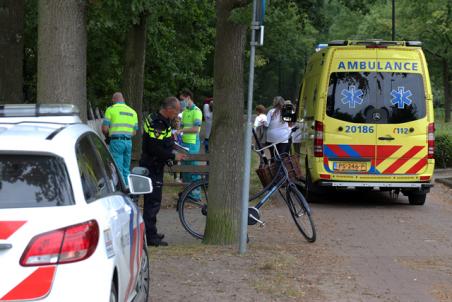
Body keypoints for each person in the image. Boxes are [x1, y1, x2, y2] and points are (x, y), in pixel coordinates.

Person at [140, 96, 187, 246]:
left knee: (152, 200)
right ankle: (150, 236)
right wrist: (173, 155)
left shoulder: (156, 119)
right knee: (153, 201)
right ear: (169, 109)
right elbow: (155, 148)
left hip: (153, 165)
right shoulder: (158, 123)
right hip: (152, 166)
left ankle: (151, 231)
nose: (177, 115)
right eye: (176, 111)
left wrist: (173, 146)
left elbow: (163, 142)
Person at [102, 92, 138, 185]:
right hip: (128, 142)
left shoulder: (110, 109)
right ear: (123, 100)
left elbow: (104, 129)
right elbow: (134, 132)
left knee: (118, 169)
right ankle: (128, 190)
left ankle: (122, 192)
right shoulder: (133, 112)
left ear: (113, 100)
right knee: (126, 169)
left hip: (116, 142)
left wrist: (107, 137)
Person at [177, 89, 203, 196]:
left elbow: (196, 129)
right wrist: (178, 127)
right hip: (183, 143)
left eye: (182, 99)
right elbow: (181, 127)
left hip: (192, 144)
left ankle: (195, 195)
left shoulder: (197, 111)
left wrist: (181, 130)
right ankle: (187, 194)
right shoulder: (184, 112)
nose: (181, 102)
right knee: (185, 170)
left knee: (193, 169)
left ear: (188, 97)